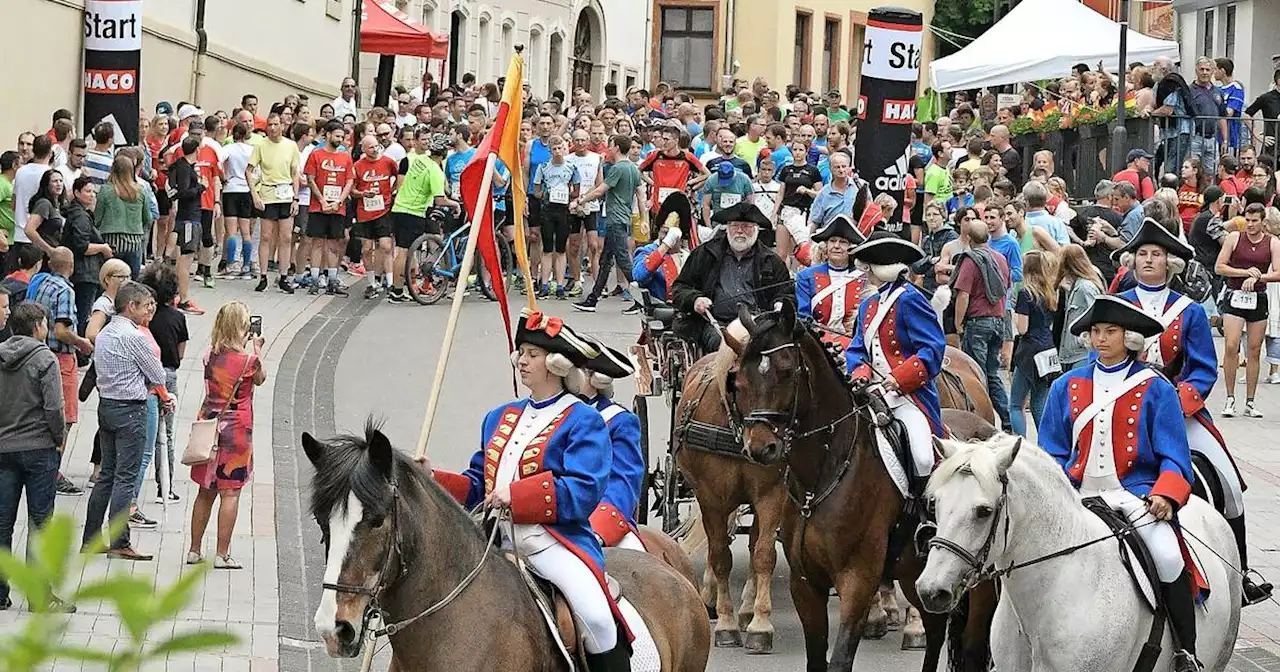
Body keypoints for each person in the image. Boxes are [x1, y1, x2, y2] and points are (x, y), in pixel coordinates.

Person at [430, 311, 632, 671]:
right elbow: (478, 486)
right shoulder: (499, 416)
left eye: (532, 354)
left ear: (555, 364)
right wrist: (432, 478)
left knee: (598, 619)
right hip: (493, 541)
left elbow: (583, 490)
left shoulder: (583, 420)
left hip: (552, 542)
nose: (521, 360)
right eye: (520, 352)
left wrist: (518, 496)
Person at [1038, 295, 1201, 672]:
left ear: (1129, 337)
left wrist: (1166, 493)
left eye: (1111, 331)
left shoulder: (1155, 387)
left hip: (1136, 495)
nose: (1101, 339)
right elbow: (1051, 450)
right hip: (1078, 496)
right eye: (1096, 331)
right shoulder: (1067, 385)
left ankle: (1186, 651)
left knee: (1167, 555)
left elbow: (1175, 455)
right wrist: (1058, 489)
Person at [845, 232, 946, 504]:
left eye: (870, 268)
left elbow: (932, 349)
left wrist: (898, 378)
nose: (866, 275)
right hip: (871, 393)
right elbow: (857, 348)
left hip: (908, 396)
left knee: (924, 458)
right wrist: (860, 374)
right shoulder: (869, 305)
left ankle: (924, 510)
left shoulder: (911, 299)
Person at [0, 302, 75, 612]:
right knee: (40, 522)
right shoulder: (45, 358)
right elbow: (54, 407)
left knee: (3, 522)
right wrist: (59, 438)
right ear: (36, 327)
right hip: (39, 449)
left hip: (4, 449)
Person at [84, 281, 165, 561]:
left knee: (106, 474)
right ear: (131, 306)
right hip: (130, 409)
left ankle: (91, 537)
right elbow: (158, 374)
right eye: (145, 306)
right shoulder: (134, 337)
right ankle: (119, 540)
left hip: (106, 406)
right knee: (125, 477)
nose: (148, 311)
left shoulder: (105, 333)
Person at [186, 302, 265, 569]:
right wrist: (256, 348)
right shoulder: (248, 362)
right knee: (230, 494)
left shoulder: (210, 355)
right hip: (237, 431)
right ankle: (222, 554)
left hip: (210, 426)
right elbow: (261, 379)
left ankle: (194, 550)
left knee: (204, 492)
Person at [670, 201, 794, 353]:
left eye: (746, 227)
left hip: (759, 325)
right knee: (726, 346)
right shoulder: (705, 253)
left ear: (757, 229)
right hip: (715, 324)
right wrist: (695, 299)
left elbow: (786, 293)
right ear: (727, 228)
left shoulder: (771, 260)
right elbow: (680, 287)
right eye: (735, 225)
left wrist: (780, 304)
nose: (740, 231)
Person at [572, 339, 646, 551]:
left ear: (597, 378)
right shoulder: (546, 415)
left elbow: (623, 482)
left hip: (596, 519)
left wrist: (598, 530)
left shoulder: (619, 421)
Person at [1216, 203, 1280, 418]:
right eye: (1248, 220)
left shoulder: (1272, 243)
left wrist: (1258, 277)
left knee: (1254, 350)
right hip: (1235, 295)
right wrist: (1244, 273)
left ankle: (1250, 401)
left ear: (1263, 221)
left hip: (1258, 298)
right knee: (1231, 345)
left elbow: (1278, 272)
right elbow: (1220, 266)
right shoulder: (1235, 238)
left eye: (1255, 221)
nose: (1250, 225)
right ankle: (1230, 397)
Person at [571, 135, 646, 313]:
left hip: (616, 219)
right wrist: (643, 218)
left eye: (611, 146)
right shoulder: (633, 169)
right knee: (605, 261)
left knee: (623, 260)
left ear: (617, 148)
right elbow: (640, 195)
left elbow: (600, 190)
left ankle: (643, 298)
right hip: (623, 217)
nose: (608, 150)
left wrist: (581, 200)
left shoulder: (618, 168)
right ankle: (593, 299)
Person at [952, 221, 1012, 428]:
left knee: (976, 375)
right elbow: (1007, 287)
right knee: (992, 373)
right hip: (998, 321)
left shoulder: (971, 260)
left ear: (968, 239)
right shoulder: (1001, 259)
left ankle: (982, 418)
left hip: (977, 323)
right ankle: (1007, 419)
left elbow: (963, 296)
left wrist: (958, 323)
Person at [139, 264, 187, 505]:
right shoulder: (177, 317)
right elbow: (181, 350)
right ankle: (165, 486)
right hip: (168, 374)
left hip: (142, 377)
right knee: (165, 433)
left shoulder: (144, 318)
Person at [795, 214, 867, 349]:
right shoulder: (806, 276)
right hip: (818, 343)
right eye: (833, 241)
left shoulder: (864, 278)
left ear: (851, 248)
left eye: (843, 242)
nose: (837, 246)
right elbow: (803, 316)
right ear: (826, 246)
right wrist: (824, 339)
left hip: (855, 344)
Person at [248, 113, 301, 294]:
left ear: (282, 126)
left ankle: (284, 276)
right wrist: (254, 194)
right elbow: (249, 170)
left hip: (285, 194)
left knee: (286, 237)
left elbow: (295, 173)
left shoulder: (290, 146)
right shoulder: (261, 145)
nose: (272, 128)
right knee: (266, 236)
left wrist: (295, 198)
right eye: (269, 125)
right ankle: (263, 276)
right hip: (268, 194)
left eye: (276, 124)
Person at [1009, 249, 1059, 436]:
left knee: (1015, 404)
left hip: (1029, 351)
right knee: (1039, 401)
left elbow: (1022, 329)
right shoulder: (1050, 292)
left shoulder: (1025, 293)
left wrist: (1015, 316)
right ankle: (1046, 441)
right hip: (1048, 348)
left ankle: (1020, 444)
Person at [533, 135, 582, 299]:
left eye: (560, 148)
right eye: (554, 149)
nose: (557, 152)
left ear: (564, 148)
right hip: (548, 210)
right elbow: (536, 190)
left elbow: (576, 190)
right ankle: (545, 284)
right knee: (547, 247)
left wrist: (568, 195)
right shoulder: (543, 167)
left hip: (563, 210)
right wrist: (547, 194)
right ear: (550, 151)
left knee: (561, 248)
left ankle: (560, 285)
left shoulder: (571, 167)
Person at [631, 192, 691, 303]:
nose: (666, 237)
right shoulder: (647, 251)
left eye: (671, 234)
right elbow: (638, 276)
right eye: (664, 232)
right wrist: (665, 245)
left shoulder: (688, 256)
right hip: (661, 311)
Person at [1056, 244, 1104, 370]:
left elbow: (1099, 316)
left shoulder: (1085, 287)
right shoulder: (1074, 287)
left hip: (1083, 353)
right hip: (1071, 353)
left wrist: (1085, 340)